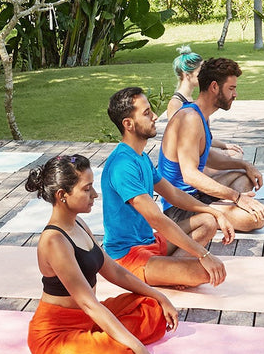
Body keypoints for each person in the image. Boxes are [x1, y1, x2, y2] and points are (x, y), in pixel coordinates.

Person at [26, 154, 178, 354]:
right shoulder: (54, 241)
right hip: (57, 334)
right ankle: (109, 343)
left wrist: (161, 296)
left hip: (89, 318)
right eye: (87, 189)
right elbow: (88, 303)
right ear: (62, 196)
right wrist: (137, 347)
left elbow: (114, 271)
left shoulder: (79, 224)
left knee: (154, 310)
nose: (95, 195)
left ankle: (105, 338)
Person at [101, 87, 235, 288]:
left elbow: (172, 193)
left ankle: (171, 272)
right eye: (147, 113)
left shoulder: (141, 157)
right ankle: (172, 273)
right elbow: (156, 218)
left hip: (150, 243)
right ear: (128, 124)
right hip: (127, 258)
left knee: (207, 221)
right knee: (207, 272)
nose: (155, 116)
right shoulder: (122, 166)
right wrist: (203, 254)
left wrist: (214, 212)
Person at [159, 57, 264, 234]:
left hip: (197, 195)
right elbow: (190, 176)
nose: (235, 94)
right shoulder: (190, 118)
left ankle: (224, 209)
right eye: (231, 88)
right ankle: (220, 212)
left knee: (245, 178)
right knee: (255, 219)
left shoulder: (201, 114)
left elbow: (206, 155)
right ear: (214, 87)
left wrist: (244, 164)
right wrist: (236, 197)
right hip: (180, 207)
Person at [166, 46, 243, 164]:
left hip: (197, 155)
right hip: (188, 161)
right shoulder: (178, 105)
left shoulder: (195, 104)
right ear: (187, 74)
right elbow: (183, 144)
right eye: (199, 72)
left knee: (238, 159)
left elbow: (201, 138)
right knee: (236, 160)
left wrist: (224, 146)